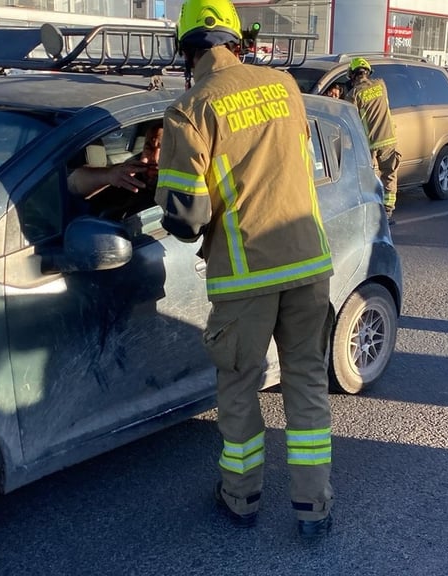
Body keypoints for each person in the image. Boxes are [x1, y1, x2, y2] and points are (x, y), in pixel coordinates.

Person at [155, 0, 335, 538]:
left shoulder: (191, 108)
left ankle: (241, 497)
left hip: (245, 277)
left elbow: (187, 217)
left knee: (239, 386)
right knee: (305, 382)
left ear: (187, 50)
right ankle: (313, 508)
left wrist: (160, 181)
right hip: (309, 263)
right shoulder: (284, 88)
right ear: (236, 40)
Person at [344, 57, 400, 224]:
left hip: (369, 144)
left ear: (353, 76)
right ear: (368, 72)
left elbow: (348, 117)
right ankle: (387, 213)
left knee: (369, 177)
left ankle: (371, 213)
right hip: (389, 138)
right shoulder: (381, 85)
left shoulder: (353, 94)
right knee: (389, 175)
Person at [68, 122, 162, 200]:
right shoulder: (127, 177)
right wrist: (107, 176)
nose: (155, 158)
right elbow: (73, 184)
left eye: (166, 151)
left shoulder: (175, 197)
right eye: (149, 149)